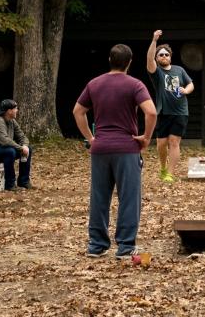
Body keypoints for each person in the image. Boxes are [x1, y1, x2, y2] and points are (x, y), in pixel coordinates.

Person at [73, 43, 157, 258]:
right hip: (126, 148)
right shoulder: (135, 85)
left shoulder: (94, 84)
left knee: (99, 196)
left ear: (110, 60)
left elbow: (78, 111)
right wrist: (146, 138)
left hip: (100, 148)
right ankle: (126, 246)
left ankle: (96, 244)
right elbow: (151, 113)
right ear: (129, 62)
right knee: (129, 197)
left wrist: (90, 138)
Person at [146, 30, 194, 183]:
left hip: (180, 112)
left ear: (170, 57)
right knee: (161, 144)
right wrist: (154, 40)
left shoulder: (179, 70)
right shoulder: (156, 72)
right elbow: (149, 59)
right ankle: (163, 167)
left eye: (166, 54)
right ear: (157, 58)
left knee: (174, 142)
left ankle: (170, 173)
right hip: (163, 112)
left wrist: (186, 90)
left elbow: (191, 84)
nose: (164, 57)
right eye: (161, 55)